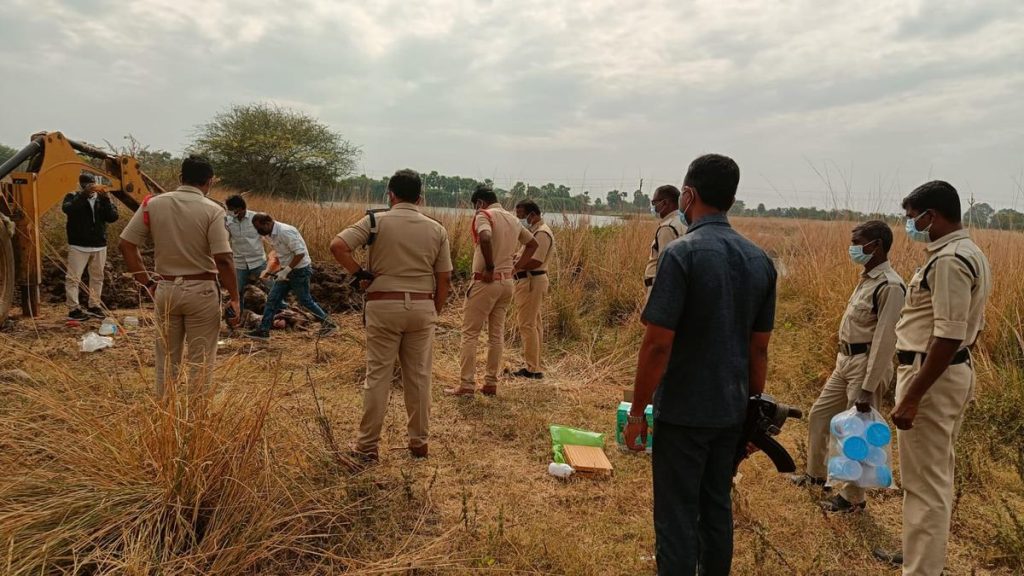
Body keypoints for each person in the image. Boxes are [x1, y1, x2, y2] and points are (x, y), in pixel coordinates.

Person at [622, 154, 777, 576]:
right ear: (731, 200)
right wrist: (752, 413)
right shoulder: (760, 260)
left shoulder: (681, 254)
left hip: (684, 412)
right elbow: (759, 351)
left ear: (688, 195)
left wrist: (637, 413)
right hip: (730, 411)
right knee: (716, 507)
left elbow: (657, 346)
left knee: (676, 515)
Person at [873, 181, 992, 574]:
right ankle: (919, 555)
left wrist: (912, 396)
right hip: (946, 372)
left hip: (931, 377)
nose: (909, 225)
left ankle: (922, 568)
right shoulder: (968, 252)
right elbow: (968, 327)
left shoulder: (949, 261)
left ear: (932, 216)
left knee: (924, 485)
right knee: (933, 477)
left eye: (912, 218)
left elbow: (948, 334)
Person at [330, 169, 452, 461]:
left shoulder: (375, 221)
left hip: (383, 305)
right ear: (420, 198)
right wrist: (434, 309)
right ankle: (419, 443)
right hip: (422, 307)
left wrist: (360, 273)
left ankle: (367, 446)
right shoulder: (436, 229)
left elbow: (338, 246)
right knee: (419, 377)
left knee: (378, 376)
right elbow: (444, 277)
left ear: (391, 195)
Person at [792, 220, 905, 513]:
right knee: (820, 414)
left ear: (876, 245)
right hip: (845, 361)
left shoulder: (890, 286)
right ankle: (816, 476)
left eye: (857, 242)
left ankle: (853, 499)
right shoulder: (867, 279)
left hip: (866, 365)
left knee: (858, 433)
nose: (852, 248)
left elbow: (885, 341)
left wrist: (868, 387)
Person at [119, 155, 240, 396]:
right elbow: (223, 259)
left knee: (166, 361)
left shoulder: (152, 204)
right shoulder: (213, 210)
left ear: (180, 177)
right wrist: (235, 298)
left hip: (165, 289)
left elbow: (126, 244)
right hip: (202, 291)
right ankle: (196, 416)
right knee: (201, 362)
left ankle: (165, 413)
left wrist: (147, 282)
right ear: (209, 181)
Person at [448, 184, 538, 397]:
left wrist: (489, 267)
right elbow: (532, 244)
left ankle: (467, 384)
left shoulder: (484, 215)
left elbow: (485, 237)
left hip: (485, 282)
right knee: (496, 335)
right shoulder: (513, 220)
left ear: (480, 202)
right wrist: (516, 267)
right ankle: (490, 382)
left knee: (470, 334)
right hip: (506, 283)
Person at [246, 213, 336, 341]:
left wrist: (287, 270)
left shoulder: (285, 232)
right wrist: (273, 270)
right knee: (272, 299)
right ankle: (263, 330)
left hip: (300, 271)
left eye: (259, 227)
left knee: (305, 300)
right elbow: (280, 253)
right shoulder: (270, 234)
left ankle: (329, 324)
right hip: (286, 271)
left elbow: (300, 253)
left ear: (267, 223)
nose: (258, 231)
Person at [62, 173, 119, 320]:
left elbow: (112, 217)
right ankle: (73, 309)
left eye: (93, 184)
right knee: (73, 278)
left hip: (99, 244)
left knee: (97, 277)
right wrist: (83, 196)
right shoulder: (72, 196)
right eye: (88, 185)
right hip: (78, 245)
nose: (92, 187)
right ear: (81, 185)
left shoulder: (102, 199)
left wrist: (106, 199)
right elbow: (68, 210)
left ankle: (94, 305)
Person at [510, 199, 555, 379]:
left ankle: (532, 369)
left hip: (531, 281)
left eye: (522, 215)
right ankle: (534, 365)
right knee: (534, 324)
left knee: (527, 324)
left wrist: (516, 267)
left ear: (533, 214)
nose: (521, 219)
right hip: (530, 280)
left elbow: (536, 260)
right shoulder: (535, 231)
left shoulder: (542, 233)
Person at [224, 195, 270, 315]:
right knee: (237, 292)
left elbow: (269, 236)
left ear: (241, 208)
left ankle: (281, 312)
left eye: (232, 209)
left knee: (271, 288)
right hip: (239, 263)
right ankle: (239, 315)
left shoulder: (256, 219)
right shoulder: (228, 221)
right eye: (229, 209)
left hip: (258, 261)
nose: (230, 212)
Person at [643, 184, 687, 304]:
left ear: (665, 203)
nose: (653, 207)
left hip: (660, 288)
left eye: (654, 203)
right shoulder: (682, 222)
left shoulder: (667, 227)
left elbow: (665, 265)